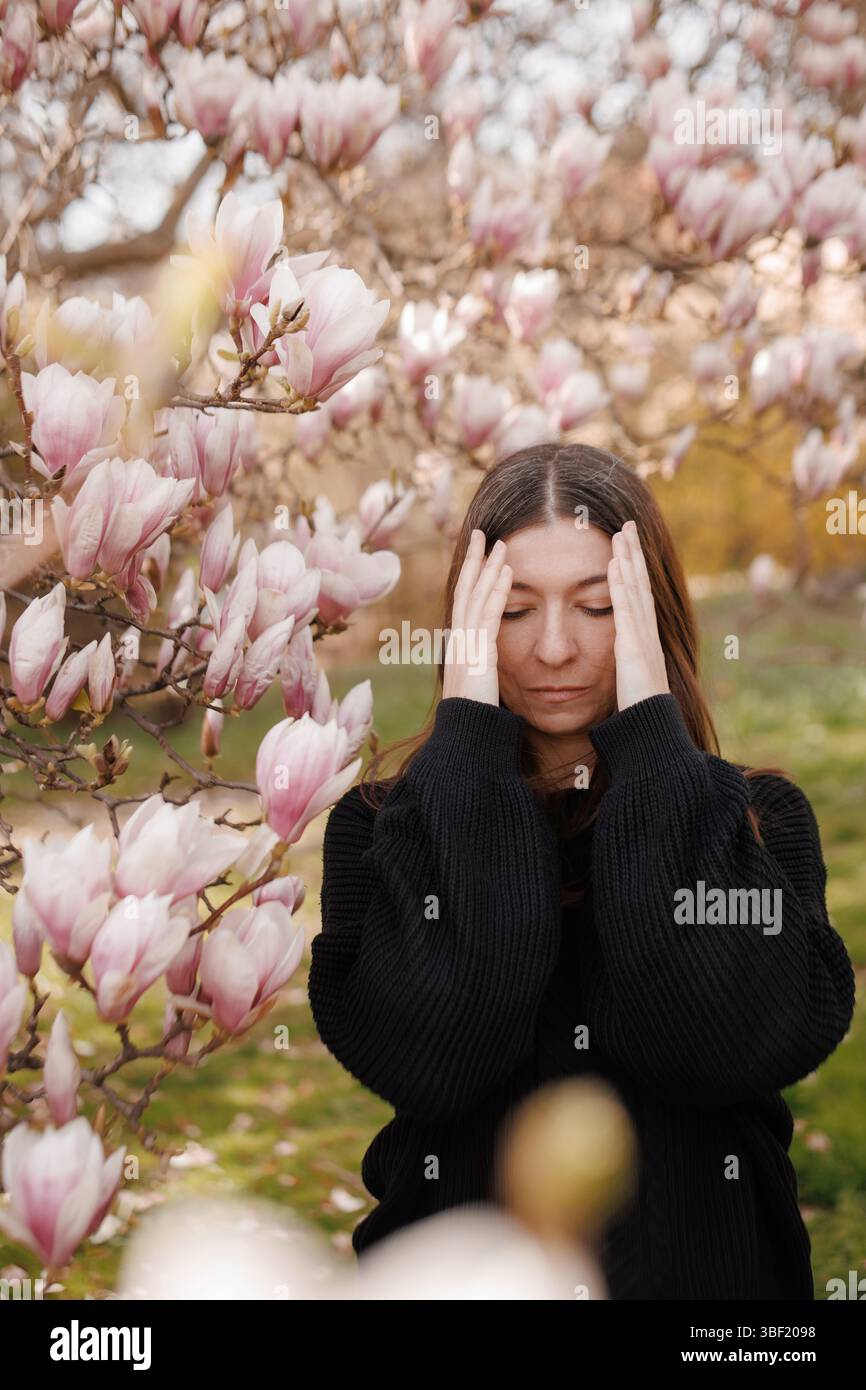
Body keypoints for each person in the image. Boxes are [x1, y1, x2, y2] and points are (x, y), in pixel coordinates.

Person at [307, 443, 855, 1300]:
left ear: (650, 616)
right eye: (515, 611)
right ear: (468, 624)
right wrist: (468, 751)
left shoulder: (758, 820)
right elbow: (436, 1059)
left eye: (599, 607)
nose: (555, 648)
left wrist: (650, 729)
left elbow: (713, 1044)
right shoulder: (380, 831)